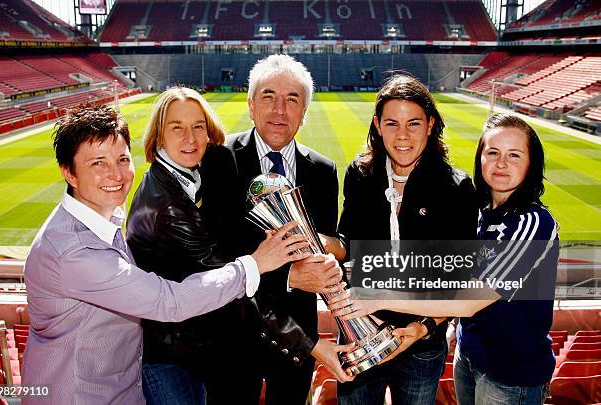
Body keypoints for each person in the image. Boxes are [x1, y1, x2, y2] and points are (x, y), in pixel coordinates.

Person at [21, 103, 309, 404]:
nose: (116, 174)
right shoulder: (75, 251)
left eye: (121, 159)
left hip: (117, 385)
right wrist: (255, 264)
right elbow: (168, 301)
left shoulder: (97, 217)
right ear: (68, 172)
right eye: (97, 163)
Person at [331, 114, 559, 405]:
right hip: (470, 357)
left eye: (514, 155)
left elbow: (471, 299)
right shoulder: (479, 211)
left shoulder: (532, 223)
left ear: (531, 163)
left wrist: (379, 297)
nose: (501, 163)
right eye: (492, 152)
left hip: (510, 373)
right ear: (480, 158)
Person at [324, 73, 479, 405]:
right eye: (392, 124)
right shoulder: (360, 175)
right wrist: (317, 243)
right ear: (378, 126)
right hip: (360, 333)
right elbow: (348, 243)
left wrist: (423, 326)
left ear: (430, 124)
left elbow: (460, 282)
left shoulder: (457, 189)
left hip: (420, 342)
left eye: (414, 123)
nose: (403, 136)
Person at [125, 86, 278, 404]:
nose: (190, 138)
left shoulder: (184, 180)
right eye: (177, 127)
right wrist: (308, 344)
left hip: (189, 349)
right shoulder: (168, 206)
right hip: (170, 360)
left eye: (198, 127)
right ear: (159, 135)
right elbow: (227, 277)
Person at [222, 54, 353, 405]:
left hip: (297, 337)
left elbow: (324, 244)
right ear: (251, 106)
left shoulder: (323, 171)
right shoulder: (220, 159)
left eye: (292, 99)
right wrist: (289, 277)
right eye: (268, 97)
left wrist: (331, 254)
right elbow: (215, 253)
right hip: (236, 333)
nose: (279, 110)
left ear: (304, 113)